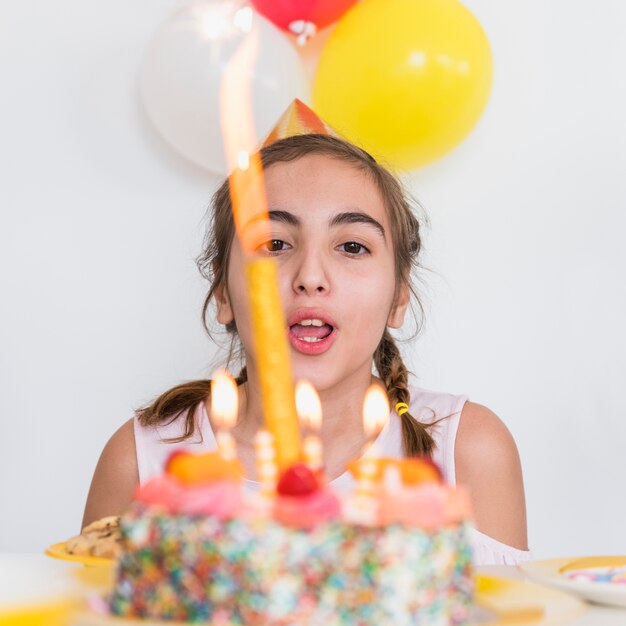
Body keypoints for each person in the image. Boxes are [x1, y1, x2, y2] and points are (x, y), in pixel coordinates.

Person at [83, 132, 529, 565]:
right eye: (274, 244)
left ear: (399, 297)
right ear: (222, 291)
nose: (310, 275)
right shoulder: (140, 459)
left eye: (352, 246)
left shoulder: (467, 450)